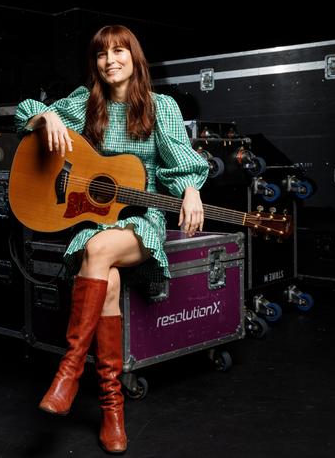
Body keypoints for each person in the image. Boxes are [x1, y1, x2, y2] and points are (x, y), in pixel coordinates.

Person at [14, 25, 208, 454]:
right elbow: (24, 111)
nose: (110, 61)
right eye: (102, 54)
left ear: (135, 58)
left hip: (143, 220)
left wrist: (191, 188)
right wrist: (43, 116)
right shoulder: (85, 103)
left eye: (120, 52)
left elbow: (182, 163)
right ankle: (112, 408)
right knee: (108, 281)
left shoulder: (161, 107)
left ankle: (69, 370)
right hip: (96, 222)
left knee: (98, 251)